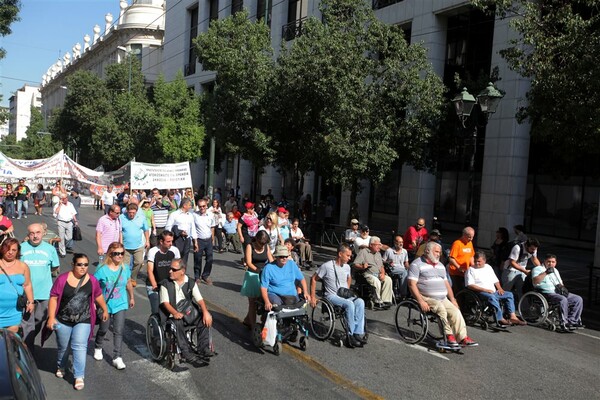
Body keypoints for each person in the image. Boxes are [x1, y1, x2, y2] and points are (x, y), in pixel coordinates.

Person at [45, 254, 108, 391]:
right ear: (73, 264)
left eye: (85, 265)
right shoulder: (62, 279)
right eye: (79, 264)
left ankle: (79, 375)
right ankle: (61, 365)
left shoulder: (92, 280)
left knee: (79, 345)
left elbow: (98, 295)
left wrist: (105, 309)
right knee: (63, 347)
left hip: (83, 319)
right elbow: (54, 298)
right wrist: (51, 317)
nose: (83, 267)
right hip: (63, 319)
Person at [408, 241, 478, 347]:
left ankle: (462, 337)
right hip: (426, 297)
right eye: (436, 251)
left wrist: (453, 300)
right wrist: (421, 301)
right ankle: (449, 335)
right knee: (441, 309)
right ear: (427, 251)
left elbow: (447, 284)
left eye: (439, 252)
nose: (439, 254)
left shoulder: (440, 265)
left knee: (456, 311)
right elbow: (411, 284)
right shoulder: (416, 264)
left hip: (442, 298)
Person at [310, 243, 366, 348]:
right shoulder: (327, 266)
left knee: (360, 302)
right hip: (331, 296)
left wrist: (347, 290)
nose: (350, 258)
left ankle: (357, 333)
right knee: (349, 304)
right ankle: (350, 335)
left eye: (350, 256)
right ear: (340, 254)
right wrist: (313, 297)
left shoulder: (347, 267)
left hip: (343, 295)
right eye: (348, 255)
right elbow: (313, 278)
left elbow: (349, 278)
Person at [159, 258, 213, 366]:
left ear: (182, 271)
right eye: (170, 269)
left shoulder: (190, 282)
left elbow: (199, 299)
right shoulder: (165, 284)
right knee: (177, 322)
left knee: (203, 320)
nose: (170, 271)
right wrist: (174, 313)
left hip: (187, 312)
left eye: (174, 269)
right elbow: (166, 303)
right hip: (172, 315)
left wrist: (206, 312)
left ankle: (204, 349)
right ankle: (186, 352)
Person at [93, 242, 135, 370]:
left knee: (119, 330)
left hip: (120, 304)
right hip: (105, 305)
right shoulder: (101, 269)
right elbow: (95, 288)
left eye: (122, 253)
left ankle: (117, 357)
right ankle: (98, 346)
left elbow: (128, 282)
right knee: (104, 329)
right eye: (116, 253)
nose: (119, 256)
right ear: (110, 253)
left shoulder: (125, 268)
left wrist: (131, 297)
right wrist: (95, 303)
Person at [20, 223, 60, 349]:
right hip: (26, 293)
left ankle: (27, 342)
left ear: (43, 233)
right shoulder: (21, 248)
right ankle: (27, 349)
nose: (35, 236)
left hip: (44, 293)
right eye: (32, 233)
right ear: (28, 235)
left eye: (38, 233)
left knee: (39, 319)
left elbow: (55, 267)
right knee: (27, 323)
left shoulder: (50, 249)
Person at [465, 251, 526, 326]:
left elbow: (495, 280)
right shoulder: (471, 270)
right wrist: (485, 290)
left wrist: (500, 288)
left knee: (509, 294)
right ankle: (500, 318)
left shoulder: (488, 267)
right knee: (492, 297)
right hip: (480, 292)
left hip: (493, 291)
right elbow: (470, 285)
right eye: (475, 261)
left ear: (484, 261)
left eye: (479, 261)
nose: (477, 263)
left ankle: (513, 317)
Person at [532, 254, 584, 331]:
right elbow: (535, 281)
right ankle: (564, 322)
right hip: (547, 293)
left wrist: (563, 288)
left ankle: (572, 321)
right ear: (544, 261)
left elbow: (560, 283)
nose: (551, 264)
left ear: (555, 263)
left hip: (558, 292)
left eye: (553, 262)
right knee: (562, 299)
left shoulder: (555, 270)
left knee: (578, 299)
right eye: (548, 261)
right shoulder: (538, 269)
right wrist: (545, 273)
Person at [260, 245, 310, 311]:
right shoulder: (268, 268)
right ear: (276, 257)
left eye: (286, 256)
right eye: (281, 256)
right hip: (275, 294)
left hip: (292, 295)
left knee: (299, 308)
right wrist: (267, 302)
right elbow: (263, 287)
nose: (284, 258)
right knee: (277, 306)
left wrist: (306, 292)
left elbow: (302, 279)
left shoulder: (292, 264)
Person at [0, 238, 34, 332]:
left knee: (10, 342)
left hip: (14, 312)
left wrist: (31, 302)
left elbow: (27, 285)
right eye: (7, 249)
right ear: (2, 249)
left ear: (18, 251)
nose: (10, 252)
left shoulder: (23, 266)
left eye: (14, 250)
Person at [241, 230, 273, 329]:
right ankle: (253, 326)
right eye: (261, 243)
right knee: (252, 302)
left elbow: (271, 260)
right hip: (253, 274)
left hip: (264, 274)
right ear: (257, 240)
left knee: (262, 300)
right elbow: (249, 262)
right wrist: (258, 270)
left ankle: (247, 320)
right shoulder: (250, 246)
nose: (262, 245)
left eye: (264, 244)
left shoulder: (266, 247)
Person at [353, 236, 394, 309]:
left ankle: (386, 300)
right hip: (368, 274)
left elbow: (381, 266)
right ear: (371, 245)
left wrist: (383, 273)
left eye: (380, 245)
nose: (379, 246)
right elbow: (355, 264)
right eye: (377, 245)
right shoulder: (363, 252)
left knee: (388, 280)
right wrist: (362, 266)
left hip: (378, 274)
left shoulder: (378, 253)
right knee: (376, 281)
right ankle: (377, 301)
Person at [146, 231, 180, 315]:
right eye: (168, 241)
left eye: (172, 241)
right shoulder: (153, 251)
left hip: (168, 284)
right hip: (154, 284)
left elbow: (179, 267)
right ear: (161, 241)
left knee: (171, 310)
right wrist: (154, 285)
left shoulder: (174, 250)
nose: (171, 244)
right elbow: (149, 270)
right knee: (156, 311)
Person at [119, 203, 150, 287]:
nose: (131, 214)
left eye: (133, 213)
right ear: (127, 211)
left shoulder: (141, 218)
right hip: (125, 246)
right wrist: (120, 243)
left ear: (136, 212)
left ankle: (133, 277)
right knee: (125, 265)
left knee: (139, 262)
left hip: (138, 245)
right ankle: (127, 279)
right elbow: (120, 231)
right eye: (130, 212)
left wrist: (147, 241)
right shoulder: (121, 218)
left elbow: (146, 230)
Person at [164, 198, 197, 266]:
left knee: (184, 260)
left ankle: (182, 274)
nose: (191, 207)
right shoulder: (174, 214)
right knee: (176, 258)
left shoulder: (190, 215)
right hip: (177, 239)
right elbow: (168, 227)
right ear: (184, 205)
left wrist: (195, 241)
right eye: (189, 205)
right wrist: (175, 234)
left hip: (187, 239)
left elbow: (193, 228)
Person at [193, 198, 216, 285]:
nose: (202, 208)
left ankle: (205, 275)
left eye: (203, 206)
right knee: (197, 259)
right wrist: (194, 242)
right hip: (199, 240)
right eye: (200, 206)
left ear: (206, 206)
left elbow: (212, 227)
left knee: (210, 259)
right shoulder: (194, 215)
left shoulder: (210, 215)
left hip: (208, 239)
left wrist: (212, 238)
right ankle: (197, 277)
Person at [448, 227, 476, 292]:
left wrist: (473, 266)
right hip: (456, 272)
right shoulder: (457, 243)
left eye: (472, 237)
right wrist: (459, 267)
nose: (471, 239)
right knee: (458, 290)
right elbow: (451, 258)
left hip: (466, 272)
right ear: (464, 235)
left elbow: (471, 256)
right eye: (469, 237)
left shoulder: (470, 243)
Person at [383, 234, 409, 299]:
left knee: (409, 273)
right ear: (395, 242)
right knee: (404, 272)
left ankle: (409, 293)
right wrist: (388, 262)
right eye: (399, 242)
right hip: (392, 269)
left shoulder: (404, 251)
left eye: (402, 242)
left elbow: (406, 262)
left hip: (402, 269)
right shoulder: (389, 251)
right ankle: (403, 294)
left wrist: (409, 269)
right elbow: (382, 261)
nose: (401, 244)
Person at [53, 193, 79, 258]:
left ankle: (65, 244)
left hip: (69, 222)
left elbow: (73, 213)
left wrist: (75, 221)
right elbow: (56, 212)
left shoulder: (70, 204)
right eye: (64, 198)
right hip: (61, 222)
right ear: (61, 199)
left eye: (66, 198)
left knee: (69, 237)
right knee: (61, 238)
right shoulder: (57, 205)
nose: (65, 199)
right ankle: (62, 252)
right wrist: (59, 204)